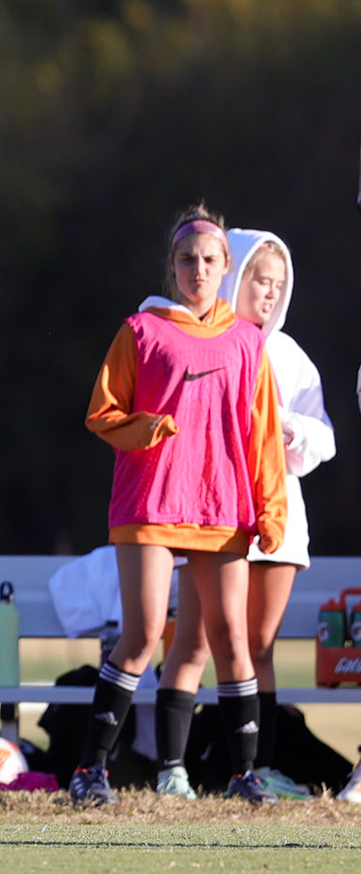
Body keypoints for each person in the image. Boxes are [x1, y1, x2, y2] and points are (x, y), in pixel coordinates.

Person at [73, 204, 286, 807]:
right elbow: (102, 413)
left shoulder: (247, 343)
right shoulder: (141, 332)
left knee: (230, 638)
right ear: (172, 267)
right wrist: (142, 429)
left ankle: (245, 776)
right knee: (141, 636)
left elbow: (263, 436)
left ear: (226, 268)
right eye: (187, 259)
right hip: (150, 504)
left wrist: (271, 511)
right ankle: (91, 771)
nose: (198, 269)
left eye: (209, 260)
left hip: (222, 508)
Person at [157, 231, 332, 800]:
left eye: (279, 285)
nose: (270, 292)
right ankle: (172, 769)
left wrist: (290, 428)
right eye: (261, 279)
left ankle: (258, 769)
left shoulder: (290, 356)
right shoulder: (200, 337)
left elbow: (321, 439)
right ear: (236, 276)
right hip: (215, 514)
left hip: (278, 516)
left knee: (257, 643)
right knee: (199, 640)